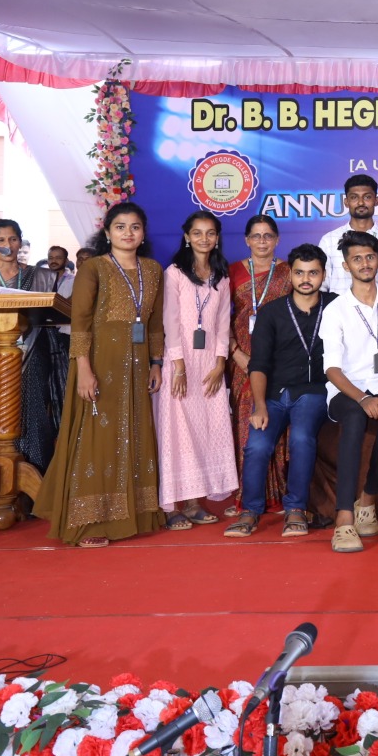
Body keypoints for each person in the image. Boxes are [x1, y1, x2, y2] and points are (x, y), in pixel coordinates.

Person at [35, 202, 167, 547]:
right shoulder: (93, 268)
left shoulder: (153, 270)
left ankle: (133, 515)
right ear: (107, 232)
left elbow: (155, 323)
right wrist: (84, 370)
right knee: (96, 436)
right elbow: (79, 323)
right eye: (120, 227)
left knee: (134, 432)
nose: (128, 233)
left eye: (135, 226)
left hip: (138, 365)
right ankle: (89, 521)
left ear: (143, 233)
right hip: (99, 363)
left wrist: (156, 362)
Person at [225, 243, 334, 538]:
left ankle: (295, 508)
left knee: (301, 438)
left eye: (313, 273)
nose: (305, 279)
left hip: (313, 391)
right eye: (299, 273)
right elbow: (258, 364)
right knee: (256, 446)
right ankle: (250, 511)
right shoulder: (272, 312)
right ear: (291, 275)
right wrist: (260, 405)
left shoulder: (335, 307)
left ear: (323, 274)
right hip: (274, 394)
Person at [320, 230, 378, 554]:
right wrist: (362, 397)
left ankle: (367, 501)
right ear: (346, 266)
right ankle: (344, 518)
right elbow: (332, 370)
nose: (364, 263)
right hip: (346, 386)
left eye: (370, 257)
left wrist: (375, 396)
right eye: (356, 259)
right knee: (355, 419)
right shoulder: (335, 310)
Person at [155, 211, 239, 530]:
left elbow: (222, 323)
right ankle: (171, 506)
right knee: (178, 432)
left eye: (210, 233)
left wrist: (220, 363)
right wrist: (178, 366)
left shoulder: (221, 276)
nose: (204, 238)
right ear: (186, 237)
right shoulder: (175, 273)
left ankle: (193, 502)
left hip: (209, 365)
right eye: (197, 233)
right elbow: (170, 320)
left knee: (206, 432)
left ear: (217, 238)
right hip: (181, 361)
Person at [0, 219, 59, 470]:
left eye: (13, 239)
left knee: (35, 408)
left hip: (33, 349)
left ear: (20, 242)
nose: (8, 245)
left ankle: (36, 474)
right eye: (1, 240)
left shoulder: (40, 276)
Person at [229, 215, 292, 513]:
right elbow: (219, 318)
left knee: (278, 420)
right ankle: (248, 493)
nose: (262, 241)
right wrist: (235, 353)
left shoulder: (289, 272)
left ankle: (279, 492)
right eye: (256, 236)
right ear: (247, 240)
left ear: (277, 239)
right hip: (244, 359)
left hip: (280, 359)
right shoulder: (232, 272)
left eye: (268, 236)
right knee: (247, 421)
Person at [317, 174, 378, 294]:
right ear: (346, 202)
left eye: (367, 197)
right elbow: (321, 286)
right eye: (354, 197)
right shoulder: (329, 240)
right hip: (337, 305)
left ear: (376, 200)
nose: (361, 202)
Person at [44, 245, 74, 423]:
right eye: (51, 257)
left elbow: (70, 306)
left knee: (62, 378)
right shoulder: (41, 280)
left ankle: (64, 422)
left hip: (63, 334)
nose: (54, 261)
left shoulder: (73, 280)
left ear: (66, 260)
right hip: (44, 333)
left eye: (58, 257)